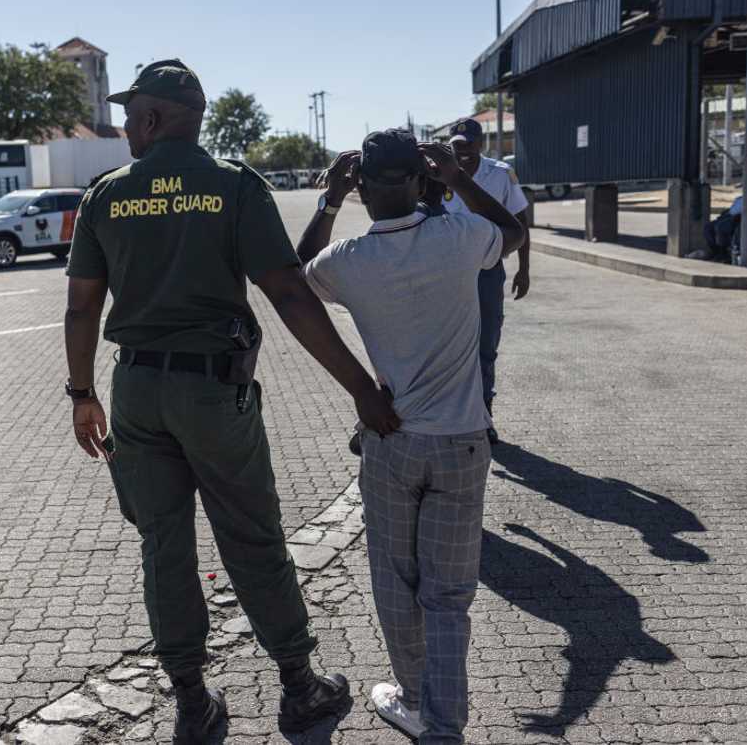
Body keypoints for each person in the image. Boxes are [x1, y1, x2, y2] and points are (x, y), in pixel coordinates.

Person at [63, 59, 399, 744]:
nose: (125, 123)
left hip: (135, 392)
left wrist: (81, 393)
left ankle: (191, 699)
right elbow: (288, 292)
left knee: (164, 546)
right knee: (252, 538)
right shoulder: (231, 187)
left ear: (155, 119)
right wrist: (359, 385)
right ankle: (300, 689)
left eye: (132, 113)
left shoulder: (106, 196)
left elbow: (80, 310)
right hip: (213, 391)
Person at [296, 129, 525, 744]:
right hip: (463, 443)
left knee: (397, 581)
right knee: (448, 596)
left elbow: (296, 276)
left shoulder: (348, 260)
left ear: (364, 190)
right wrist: (458, 179)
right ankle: (444, 727)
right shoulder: (459, 238)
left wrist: (330, 200)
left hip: (391, 440)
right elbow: (515, 232)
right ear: (423, 181)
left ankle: (414, 699)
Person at [444, 118, 531, 444]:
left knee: (486, 346)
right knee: (449, 346)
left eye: (469, 144)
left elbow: (520, 221)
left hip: (488, 271)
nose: (463, 151)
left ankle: (484, 415)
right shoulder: (437, 174)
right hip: (447, 272)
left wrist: (524, 269)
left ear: (481, 144)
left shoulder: (499, 174)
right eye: (457, 145)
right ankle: (453, 416)